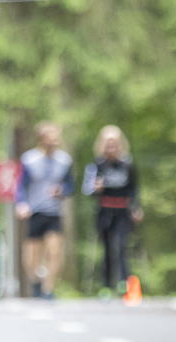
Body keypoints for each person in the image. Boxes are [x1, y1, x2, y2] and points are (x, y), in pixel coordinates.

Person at [14, 121, 74, 300]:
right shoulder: (29, 159)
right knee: (32, 256)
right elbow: (21, 185)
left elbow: (70, 185)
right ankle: (36, 281)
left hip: (54, 212)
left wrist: (62, 191)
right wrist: (21, 203)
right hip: (34, 211)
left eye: (57, 137)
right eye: (52, 137)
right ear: (42, 138)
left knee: (55, 252)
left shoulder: (65, 160)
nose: (55, 141)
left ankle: (48, 289)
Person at [82, 125, 142, 298]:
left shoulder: (128, 164)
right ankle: (106, 285)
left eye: (114, 143)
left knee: (121, 245)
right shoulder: (96, 165)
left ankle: (124, 282)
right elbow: (87, 190)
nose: (111, 147)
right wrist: (96, 189)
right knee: (107, 248)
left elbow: (134, 189)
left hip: (123, 211)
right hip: (105, 211)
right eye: (108, 143)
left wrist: (136, 207)